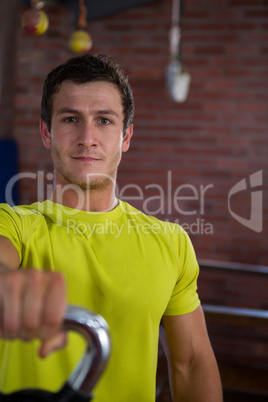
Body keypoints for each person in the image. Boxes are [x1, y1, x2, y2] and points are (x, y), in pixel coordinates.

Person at [0, 53, 222, 401]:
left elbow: (190, 363)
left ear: (126, 137)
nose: (87, 137)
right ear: (47, 132)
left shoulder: (171, 242)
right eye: (71, 118)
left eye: (104, 120)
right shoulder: (15, 224)